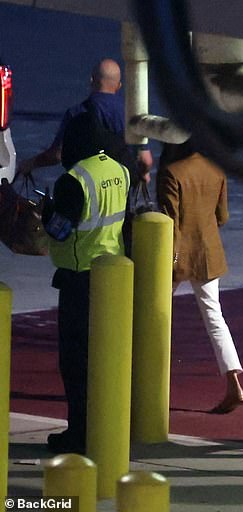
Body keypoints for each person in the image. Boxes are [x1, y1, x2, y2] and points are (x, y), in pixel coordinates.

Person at [44, 112, 130, 454]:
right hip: (114, 278)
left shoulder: (74, 180)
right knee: (105, 361)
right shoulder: (119, 169)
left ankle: (79, 435)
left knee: (76, 364)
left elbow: (60, 230)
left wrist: (46, 211)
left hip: (80, 279)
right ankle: (107, 430)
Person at [157, 139, 243, 414]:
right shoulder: (215, 169)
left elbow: (170, 224)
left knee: (152, 316)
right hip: (208, 253)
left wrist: (169, 263)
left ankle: (144, 382)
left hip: (178, 255)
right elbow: (222, 217)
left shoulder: (171, 172)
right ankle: (234, 383)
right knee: (215, 317)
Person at [17, 58, 152, 183]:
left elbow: (56, 155)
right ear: (119, 85)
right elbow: (145, 160)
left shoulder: (75, 113)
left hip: (85, 189)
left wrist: (30, 164)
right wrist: (144, 174)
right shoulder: (132, 115)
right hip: (120, 191)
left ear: (91, 80)